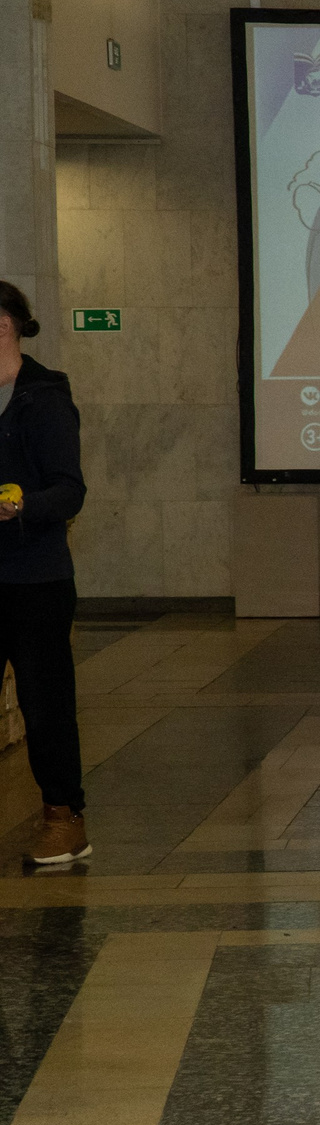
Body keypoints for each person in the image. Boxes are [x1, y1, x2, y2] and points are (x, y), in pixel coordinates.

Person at [0, 281, 89, 867]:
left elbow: (70, 492)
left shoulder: (44, 397)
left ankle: (64, 816)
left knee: (45, 705)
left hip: (34, 580)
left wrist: (22, 505)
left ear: (14, 329)